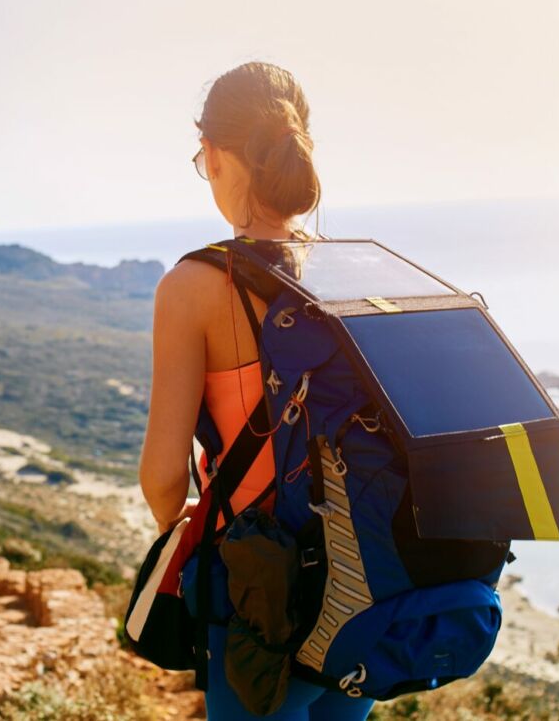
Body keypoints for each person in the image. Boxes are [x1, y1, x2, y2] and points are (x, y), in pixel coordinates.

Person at [138, 62, 375, 721]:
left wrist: (180, 535)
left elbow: (162, 478)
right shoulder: (351, 269)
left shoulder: (193, 286)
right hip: (359, 581)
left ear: (213, 155)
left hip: (255, 590)